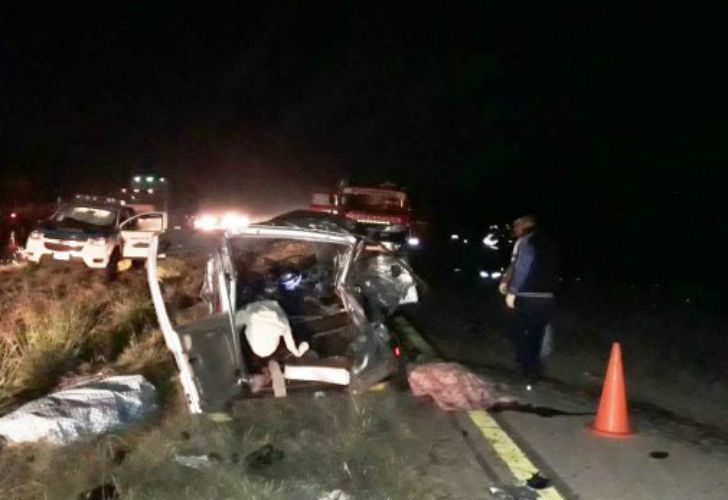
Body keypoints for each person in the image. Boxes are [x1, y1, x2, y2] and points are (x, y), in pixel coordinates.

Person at [499, 215, 558, 383]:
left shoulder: (526, 240)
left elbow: (521, 264)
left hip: (527, 295)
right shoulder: (550, 242)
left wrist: (513, 290)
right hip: (547, 296)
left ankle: (525, 370)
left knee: (520, 334)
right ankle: (534, 370)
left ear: (524, 226)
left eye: (516, 226)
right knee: (537, 334)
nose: (514, 230)